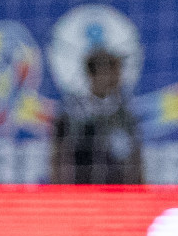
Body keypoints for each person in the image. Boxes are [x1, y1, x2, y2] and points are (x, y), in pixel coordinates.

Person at [51, 48, 145, 185]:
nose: (118, 76)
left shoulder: (125, 115)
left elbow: (136, 158)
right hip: (83, 193)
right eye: (113, 70)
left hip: (118, 194)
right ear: (95, 75)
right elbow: (59, 156)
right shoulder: (72, 114)